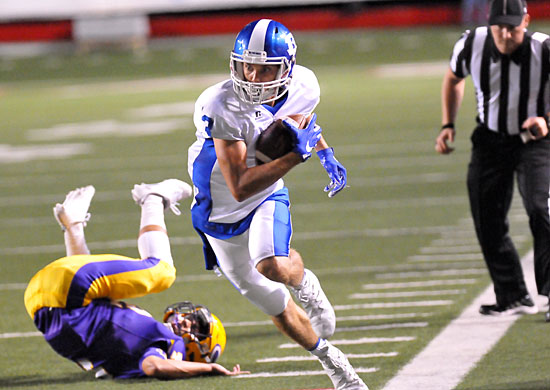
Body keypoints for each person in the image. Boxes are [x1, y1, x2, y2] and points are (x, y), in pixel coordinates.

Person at [187, 19, 368, 390]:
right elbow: (238, 185)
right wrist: (295, 158)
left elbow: (294, 131)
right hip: (218, 211)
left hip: (265, 193)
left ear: (286, 67)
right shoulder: (221, 104)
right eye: (245, 65)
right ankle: (333, 360)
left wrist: (323, 150)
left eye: (265, 67)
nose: (252, 76)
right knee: (273, 304)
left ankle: (307, 287)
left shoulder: (304, 85)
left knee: (272, 264)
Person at [23, 179, 249, 379]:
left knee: (162, 272)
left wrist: (209, 369)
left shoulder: (170, 344)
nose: (188, 320)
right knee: (98, 296)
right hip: (44, 301)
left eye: (198, 325)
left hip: (60, 293)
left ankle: (153, 198)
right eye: (194, 319)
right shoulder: (130, 352)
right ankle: (73, 227)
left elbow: (155, 367)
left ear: (198, 351)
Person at [435, 0, 550, 319]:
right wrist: (448, 124)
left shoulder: (545, 48)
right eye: (499, 26)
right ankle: (512, 294)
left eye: (512, 27)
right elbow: (453, 78)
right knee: (487, 216)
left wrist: (546, 121)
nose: (505, 34)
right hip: (490, 138)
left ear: (526, 21)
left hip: (535, 141)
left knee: (542, 208)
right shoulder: (472, 42)